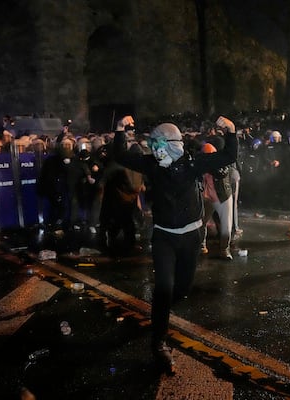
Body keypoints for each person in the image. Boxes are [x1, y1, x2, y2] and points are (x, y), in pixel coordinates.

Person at [112, 114, 238, 374]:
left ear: (172, 144)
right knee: (164, 288)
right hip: (164, 237)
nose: (155, 151)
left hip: (190, 237)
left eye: (159, 145)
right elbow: (121, 156)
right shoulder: (154, 166)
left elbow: (227, 158)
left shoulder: (193, 164)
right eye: (153, 146)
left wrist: (231, 132)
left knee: (181, 289)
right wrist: (120, 130)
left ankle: (166, 311)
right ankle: (158, 343)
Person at [199, 142, 234, 260]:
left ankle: (224, 249)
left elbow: (221, 173)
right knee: (200, 222)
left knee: (226, 225)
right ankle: (201, 245)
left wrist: (209, 165)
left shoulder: (221, 162)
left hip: (222, 196)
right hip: (206, 195)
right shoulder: (200, 162)